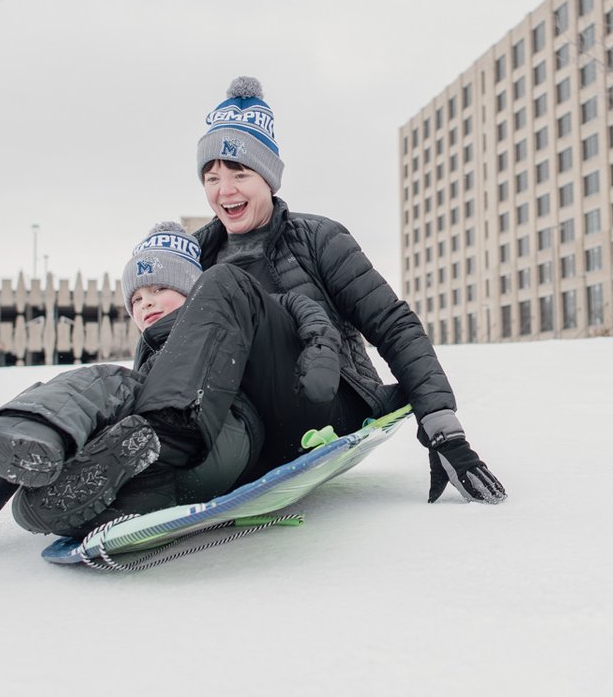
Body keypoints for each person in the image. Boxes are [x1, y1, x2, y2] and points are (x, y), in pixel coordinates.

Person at [0, 220, 342, 551]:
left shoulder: (231, 314)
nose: (147, 303)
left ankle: (37, 439)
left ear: (193, 290)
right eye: (137, 297)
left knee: (104, 384)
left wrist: (323, 352)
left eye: (161, 289)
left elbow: (305, 315)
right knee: (35, 503)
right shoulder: (147, 358)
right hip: (165, 469)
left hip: (223, 431)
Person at [142, 76, 506, 504]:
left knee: (225, 287)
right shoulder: (198, 255)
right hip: (238, 417)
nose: (225, 191)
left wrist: (443, 429)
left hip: (325, 402)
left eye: (240, 174)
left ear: (269, 178)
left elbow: (392, 323)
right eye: (211, 178)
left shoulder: (317, 239)